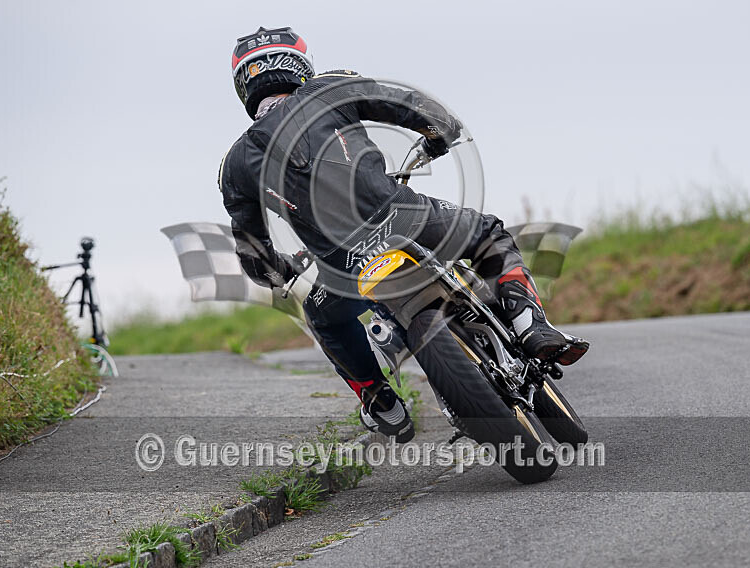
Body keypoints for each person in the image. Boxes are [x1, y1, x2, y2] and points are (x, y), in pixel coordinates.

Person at [219, 27, 589, 443]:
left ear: (244, 86)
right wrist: (439, 132)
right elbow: (407, 103)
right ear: (299, 64)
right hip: (404, 218)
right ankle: (530, 325)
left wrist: (278, 271)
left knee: (323, 317)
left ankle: (380, 401)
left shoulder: (234, 164)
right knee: (488, 234)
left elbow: (253, 252)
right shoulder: (330, 88)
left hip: (341, 264)